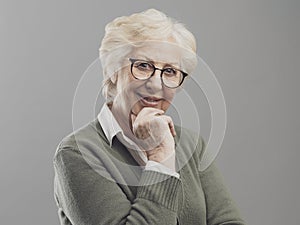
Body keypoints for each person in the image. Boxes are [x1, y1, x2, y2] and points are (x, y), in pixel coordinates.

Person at [53, 9, 245, 225]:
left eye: (170, 71)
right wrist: (159, 156)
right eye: (143, 66)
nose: (156, 84)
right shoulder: (78, 152)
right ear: (113, 70)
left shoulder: (190, 144)